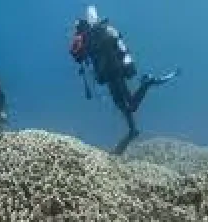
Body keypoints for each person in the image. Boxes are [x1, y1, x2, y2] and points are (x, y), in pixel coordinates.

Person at [70, 5, 180, 155]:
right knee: (122, 104)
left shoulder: (88, 37)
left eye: (77, 30)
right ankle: (133, 129)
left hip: (111, 72)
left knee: (128, 105)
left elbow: (77, 56)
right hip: (113, 71)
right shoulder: (100, 32)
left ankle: (146, 84)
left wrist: (79, 44)